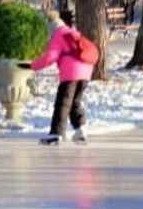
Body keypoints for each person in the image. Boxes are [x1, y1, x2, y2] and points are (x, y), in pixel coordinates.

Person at [26, 9, 94, 145]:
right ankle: (81, 130)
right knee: (74, 102)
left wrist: (32, 66)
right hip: (86, 70)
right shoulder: (71, 31)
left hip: (71, 73)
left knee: (62, 104)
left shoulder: (58, 35)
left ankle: (56, 134)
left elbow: (50, 57)